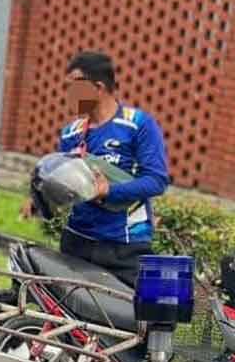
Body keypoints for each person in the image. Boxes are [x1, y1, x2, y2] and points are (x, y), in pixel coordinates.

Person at [24, 51, 169, 287]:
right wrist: (42, 199)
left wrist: (108, 191)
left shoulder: (138, 125)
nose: (68, 95)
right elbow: (66, 184)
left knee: (126, 319)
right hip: (76, 242)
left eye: (73, 87)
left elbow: (156, 180)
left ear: (98, 88)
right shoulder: (71, 133)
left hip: (123, 246)